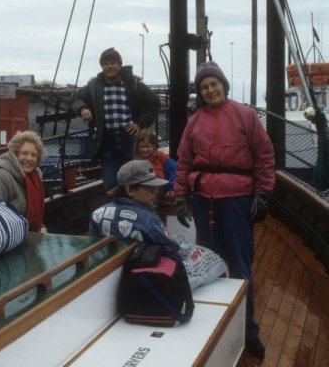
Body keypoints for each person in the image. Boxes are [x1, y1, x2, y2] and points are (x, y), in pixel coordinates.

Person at [174, 61, 275, 359]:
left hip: (237, 201)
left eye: (213, 84)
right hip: (205, 200)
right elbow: (183, 162)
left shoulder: (246, 115)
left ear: (223, 85)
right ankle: (210, 326)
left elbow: (265, 156)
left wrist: (264, 193)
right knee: (207, 263)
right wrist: (181, 196)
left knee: (240, 266)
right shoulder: (194, 122)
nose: (209, 90)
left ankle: (248, 331)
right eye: (204, 87)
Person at [72, 47, 161, 190]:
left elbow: (154, 103)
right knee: (110, 184)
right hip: (108, 142)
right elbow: (75, 98)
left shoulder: (134, 84)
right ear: (102, 66)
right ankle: (116, 210)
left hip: (130, 140)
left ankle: (134, 209)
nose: (110, 66)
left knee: (135, 182)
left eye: (113, 63)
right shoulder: (94, 86)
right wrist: (82, 108)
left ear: (119, 65)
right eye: (106, 63)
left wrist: (140, 123)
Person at [88, 160, 179, 253]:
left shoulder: (98, 213)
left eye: (156, 188)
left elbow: (92, 246)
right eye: (149, 188)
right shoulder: (147, 218)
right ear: (129, 190)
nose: (155, 193)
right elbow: (173, 248)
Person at [0, 130, 48, 233]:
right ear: (15, 155)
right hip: (6, 241)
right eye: (24, 153)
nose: (29, 158)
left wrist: (41, 227)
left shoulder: (34, 180)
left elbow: (34, 215)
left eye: (33, 155)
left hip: (29, 238)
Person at [134, 128, 176, 198]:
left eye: (147, 146)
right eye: (141, 147)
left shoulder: (160, 156)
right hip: (143, 185)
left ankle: (151, 207)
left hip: (158, 185)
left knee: (153, 192)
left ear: (153, 146)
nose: (144, 150)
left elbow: (172, 170)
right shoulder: (138, 160)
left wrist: (171, 188)